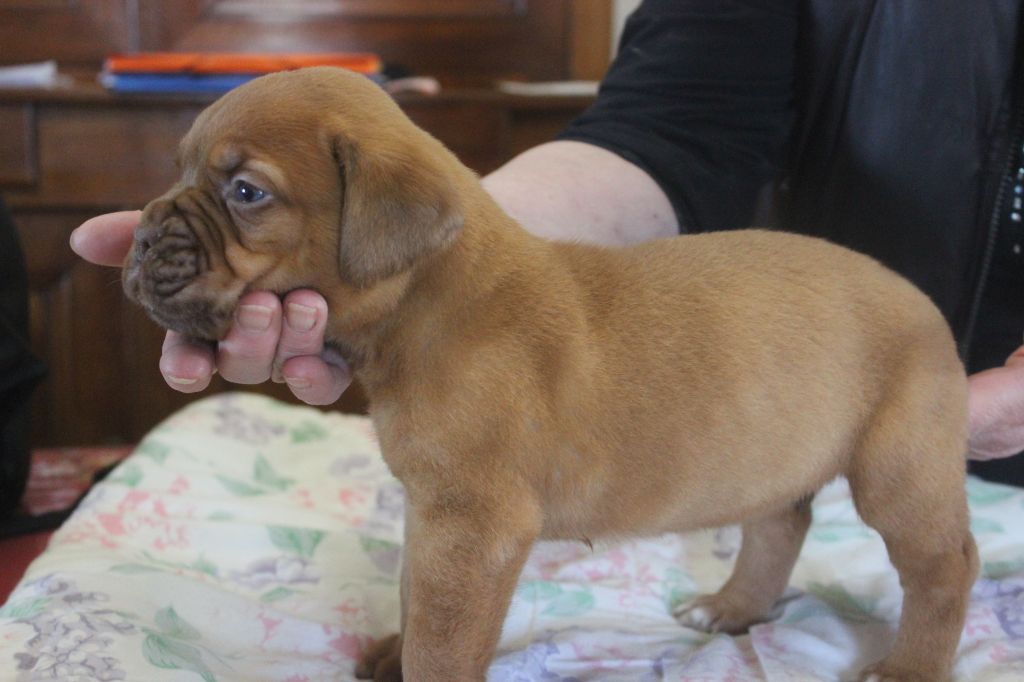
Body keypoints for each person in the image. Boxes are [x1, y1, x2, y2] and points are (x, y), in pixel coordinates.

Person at [71, 0, 1024, 484]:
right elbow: (674, 129)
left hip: (831, 389)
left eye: (239, 192)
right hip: (800, 402)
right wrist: (458, 261)